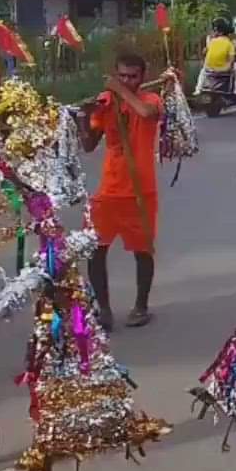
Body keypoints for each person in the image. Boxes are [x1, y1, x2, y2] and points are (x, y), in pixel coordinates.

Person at [79, 53, 175, 331]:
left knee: (143, 252)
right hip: (108, 191)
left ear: (143, 77)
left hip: (140, 192)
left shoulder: (151, 100)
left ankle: (141, 307)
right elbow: (88, 145)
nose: (126, 81)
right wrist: (85, 116)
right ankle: (104, 309)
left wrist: (118, 90)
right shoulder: (106, 103)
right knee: (95, 250)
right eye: (121, 76)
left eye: (132, 76)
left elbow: (146, 114)